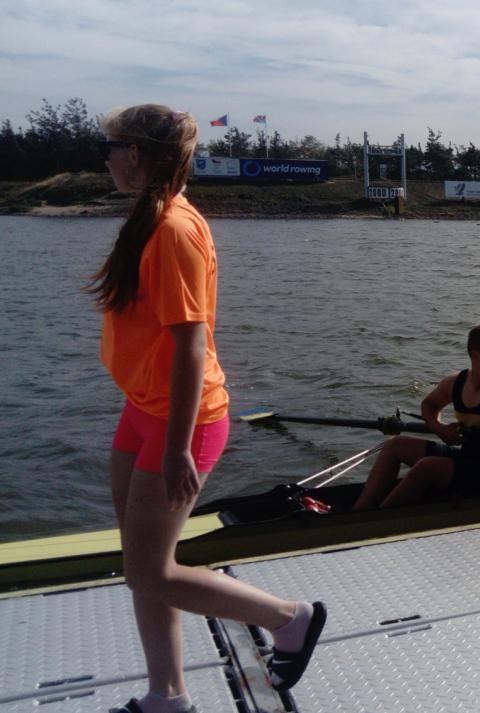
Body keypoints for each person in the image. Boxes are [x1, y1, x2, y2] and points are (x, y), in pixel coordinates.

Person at [90, 105, 324, 713]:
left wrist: (176, 449)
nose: (105, 158)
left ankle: (290, 620)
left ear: (136, 153)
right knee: (143, 562)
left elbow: (191, 344)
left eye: (109, 146)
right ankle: (166, 697)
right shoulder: (152, 217)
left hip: (181, 421)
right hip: (144, 407)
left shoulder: (172, 228)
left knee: (148, 571)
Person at [352, 325, 480, 517]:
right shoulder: (455, 382)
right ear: (475, 355)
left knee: (427, 466)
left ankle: (376, 519)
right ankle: (358, 513)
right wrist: (440, 429)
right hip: (467, 457)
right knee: (394, 445)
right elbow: (428, 406)